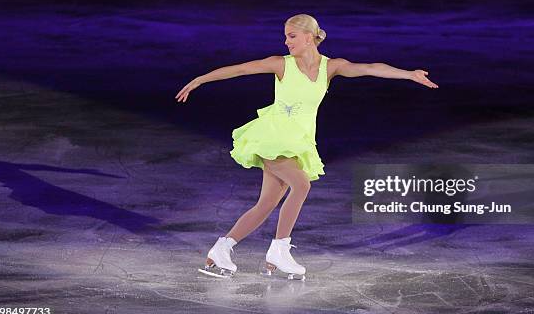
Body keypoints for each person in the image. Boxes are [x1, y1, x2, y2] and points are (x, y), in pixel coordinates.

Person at [175, 14, 438, 279]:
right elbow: (241, 68)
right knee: (301, 184)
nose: (286, 41)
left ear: (309, 37)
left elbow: (371, 67)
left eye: (292, 36)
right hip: (273, 137)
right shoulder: (281, 64)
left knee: (266, 203)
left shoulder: (331, 67)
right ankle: (279, 250)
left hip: (298, 142)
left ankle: (222, 248)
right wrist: (201, 79)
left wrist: (408, 74)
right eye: (286, 36)